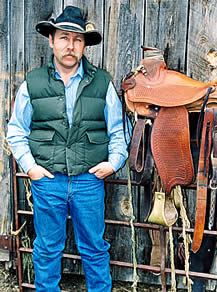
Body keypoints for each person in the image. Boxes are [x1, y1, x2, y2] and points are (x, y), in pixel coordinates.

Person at [7, 6, 130, 292]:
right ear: (51, 40)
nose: (70, 45)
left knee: (95, 248)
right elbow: (16, 131)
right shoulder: (33, 83)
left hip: (89, 181)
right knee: (47, 248)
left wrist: (113, 163)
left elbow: (118, 130)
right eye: (63, 38)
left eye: (77, 39)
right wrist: (31, 167)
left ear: (84, 44)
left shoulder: (102, 82)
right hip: (48, 180)